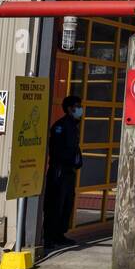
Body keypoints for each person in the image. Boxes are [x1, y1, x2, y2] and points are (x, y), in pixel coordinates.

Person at [43, 95, 83, 248]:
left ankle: (60, 234)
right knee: (55, 205)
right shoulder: (60, 126)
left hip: (69, 171)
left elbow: (74, 148)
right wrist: (70, 159)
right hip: (59, 171)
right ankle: (49, 237)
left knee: (66, 204)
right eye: (77, 106)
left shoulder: (73, 125)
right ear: (69, 108)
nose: (80, 109)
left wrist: (78, 160)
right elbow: (57, 150)